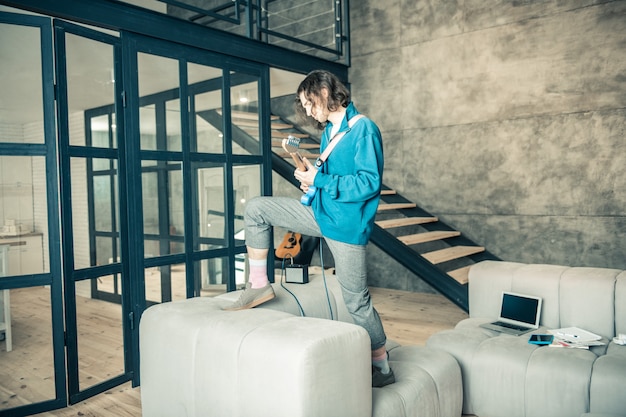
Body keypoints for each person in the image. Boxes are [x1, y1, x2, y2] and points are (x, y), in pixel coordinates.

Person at [224, 70, 395, 388]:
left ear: (327, 91)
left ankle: (382, 366)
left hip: (346, 227)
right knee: (257, 209)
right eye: (303, 105)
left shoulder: (363, 129)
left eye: (308, 102)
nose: (307, 110)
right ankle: (260, 283)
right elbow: (326, 178)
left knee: (355, 300)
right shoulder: (330, 132)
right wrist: (310, 174)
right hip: (320, 213)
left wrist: (320, 179)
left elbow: (369, 184)